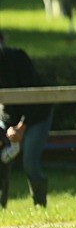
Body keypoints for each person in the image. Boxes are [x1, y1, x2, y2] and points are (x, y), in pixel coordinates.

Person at [0, 32, 54, 208]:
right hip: (8, 116)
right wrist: (8, 127)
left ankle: (39, 204)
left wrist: (21, 127)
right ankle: (2, 205)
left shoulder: (18, 59)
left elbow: (34, 96)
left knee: (30, 162)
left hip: (36, 114)